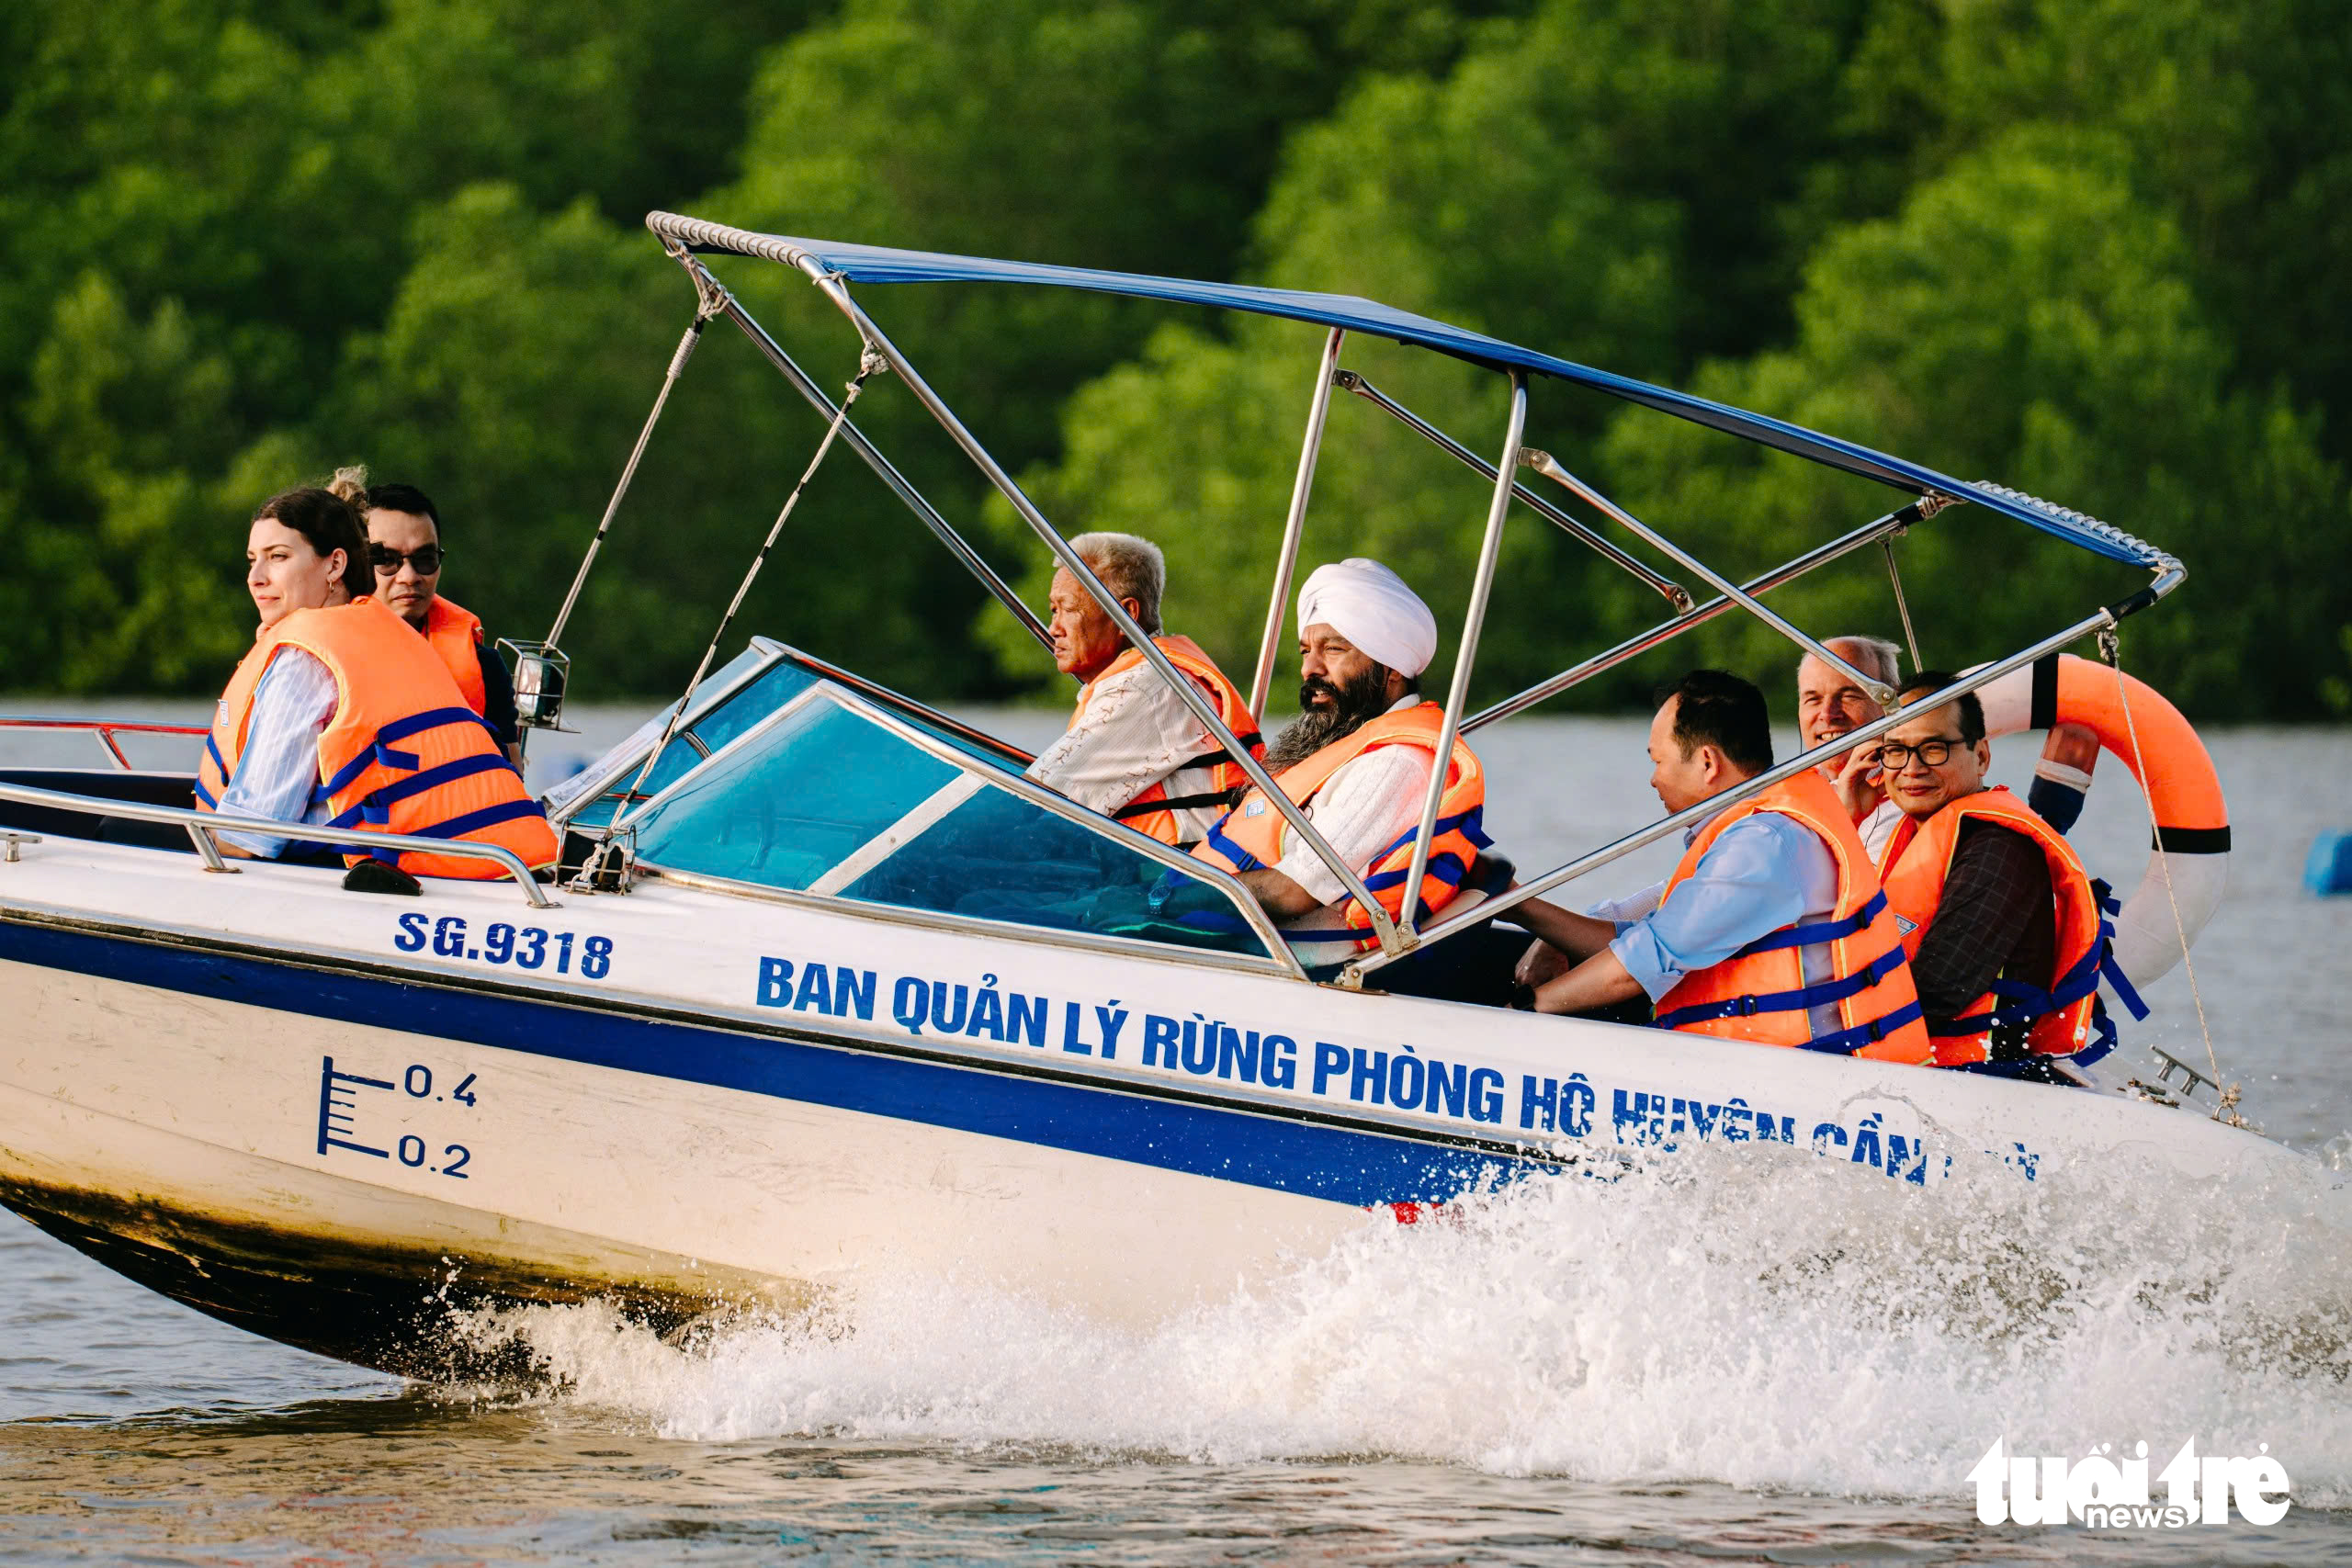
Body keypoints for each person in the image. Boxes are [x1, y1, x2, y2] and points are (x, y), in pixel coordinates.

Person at [1510, 671, 1929, 1062]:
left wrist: (1523, 1010)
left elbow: (1635, 968)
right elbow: (1637, 940)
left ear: (1708, 763)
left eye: (1658, 761)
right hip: (1755, 1063)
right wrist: (1520, 907)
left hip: (1789, 1078)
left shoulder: (1762, 845)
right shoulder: (1758, 830)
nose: (1653, 779)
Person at [194, 483, 558, 881]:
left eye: (278, 558)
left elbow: (251, 838)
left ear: (336, 565)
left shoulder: (306, 657)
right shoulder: (406, 643)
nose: (256, 578)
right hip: (490, 870)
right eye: (252, 561)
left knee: (121, 832)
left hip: (363, 877)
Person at [1188, 558, 1485, 944]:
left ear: (1391, 668)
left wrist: (1167, 898)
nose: (1310, 668)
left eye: (1333, 649)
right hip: (1242, 937)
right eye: (1306, 651)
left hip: (1296, 965)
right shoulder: (1354, 742)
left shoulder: (1396, 764)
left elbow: (1292, 891)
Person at [1873, 673, 2113, 1076]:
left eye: (1934, 748)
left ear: (1981, 756)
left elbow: (1936, 993)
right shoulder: (1909, 835)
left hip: (1977, 1075)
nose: (1912, 768)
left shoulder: (2001, 847)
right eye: (1896, 751)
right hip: (1919, 1064)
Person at [1024, 533, 1260, 846]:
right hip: (1158, 877)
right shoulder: (1157, 676)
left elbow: (1035, 797)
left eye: (1068, 609)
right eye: (1054, 610)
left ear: (1126, 614)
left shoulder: (1147, 688)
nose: (1054, 628)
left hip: (1175, 884)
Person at [1797, 637, 2100, 853]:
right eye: (1813, 699)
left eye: (1849, 695)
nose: (1827, 714)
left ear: (1893, 703)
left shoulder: (1921, 796)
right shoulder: (1784, 800)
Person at [358, 477, 525, 768]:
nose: (409, 576)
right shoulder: (318, 663)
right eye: (386, 559)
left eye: (425, 558)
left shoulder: (486, 666)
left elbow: (512, 775)